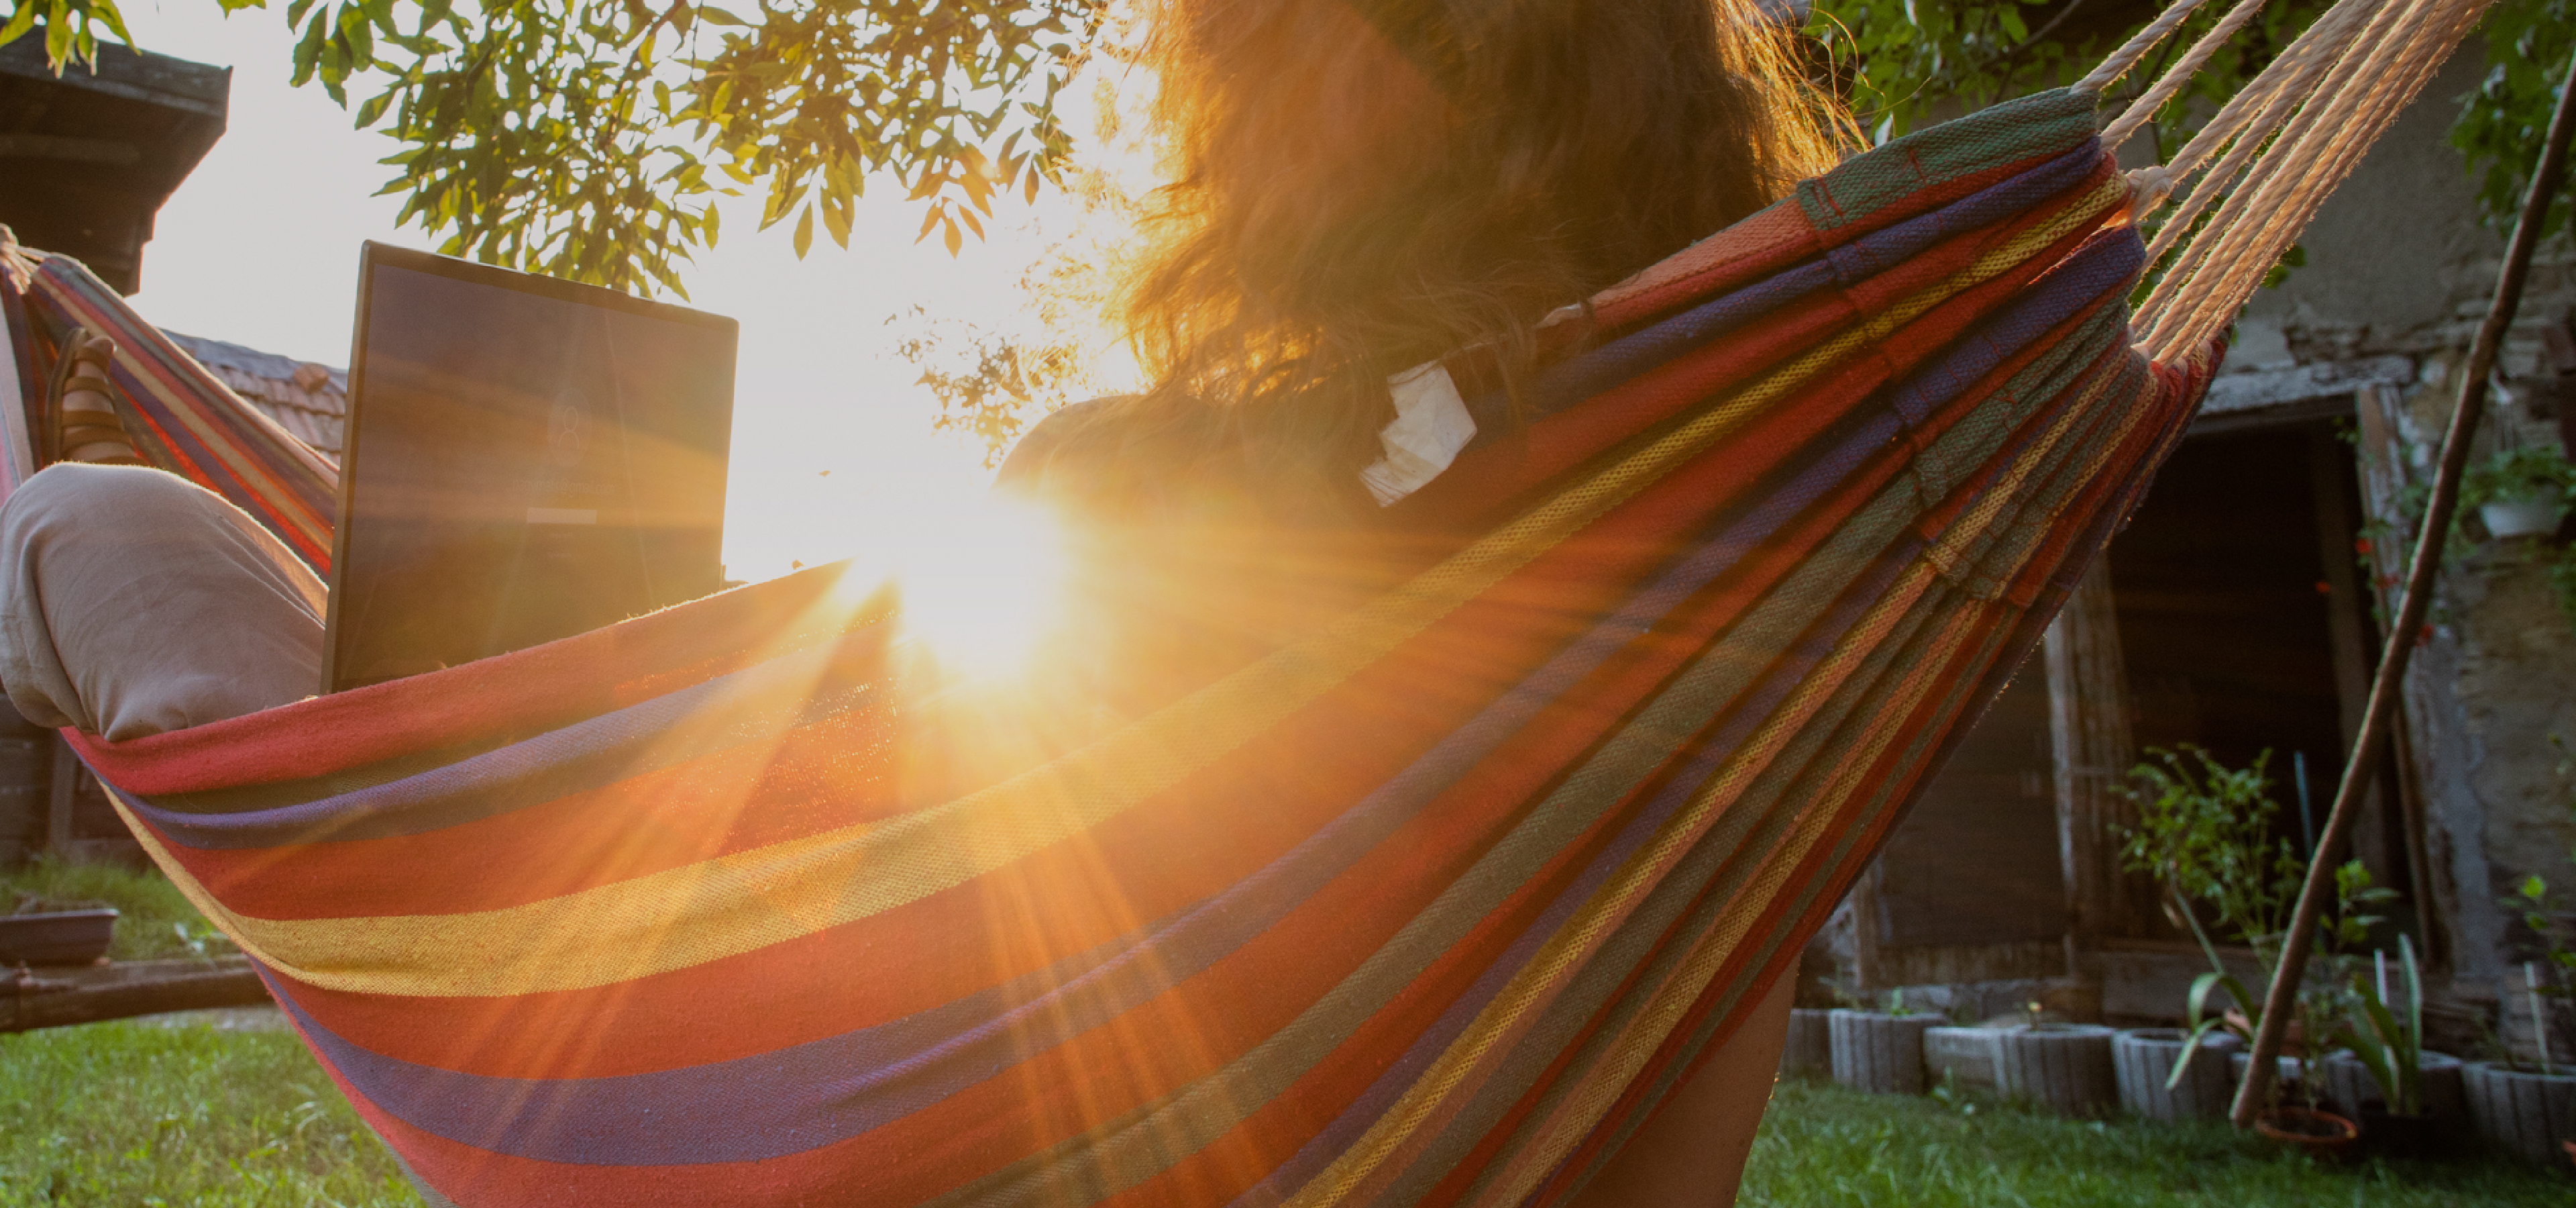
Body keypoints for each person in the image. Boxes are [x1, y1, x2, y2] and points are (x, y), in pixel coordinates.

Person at [0, 0, 1850, 1202]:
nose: (1202, 67)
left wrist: (535, 730)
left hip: (791, 1120)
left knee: (86, 527)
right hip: (1059, 1080)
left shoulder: (1140, 485)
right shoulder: (1725, 589)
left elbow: (848, 880)